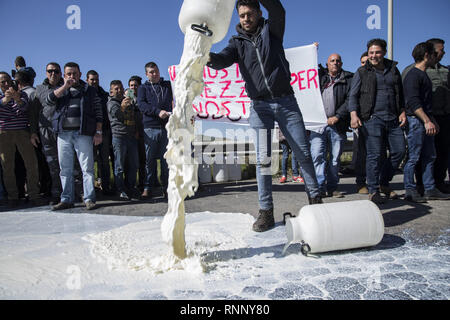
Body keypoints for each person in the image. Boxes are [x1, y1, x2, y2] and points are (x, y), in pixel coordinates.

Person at [207, 0, 321, 232]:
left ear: (259, 13)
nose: (246, 19)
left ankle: (316, 202)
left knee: (303, 152)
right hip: (259, 107)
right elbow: (221, 61)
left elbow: (278, 9)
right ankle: (266, 212)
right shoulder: (236, 43)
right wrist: (204, 54)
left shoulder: (273, 30)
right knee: (263, 160)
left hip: (286, 102)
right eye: (242, 16)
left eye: (250, 14)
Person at [349, 38, 407, 204]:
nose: (373, 56)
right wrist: (354, 115)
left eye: (377, 52)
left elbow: (400, 94)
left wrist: (402, 111)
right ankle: (374, 190)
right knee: (374, 155)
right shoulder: (361, 72)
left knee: (399, 151)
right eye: (371, 53)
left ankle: (383, 182)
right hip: (372, 119)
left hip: (393, 118)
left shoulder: (394, 70)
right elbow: (353, 95)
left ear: (384, 53)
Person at [47, 62, 103, 210]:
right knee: (65, 169)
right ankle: (66, 199)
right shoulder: (60, 90)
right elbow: (49, 100)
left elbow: (99, 113)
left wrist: (98, 132)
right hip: (63, 134)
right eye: (69, 74)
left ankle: (89, 198)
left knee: (87, 169)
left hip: (83, 133)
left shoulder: (89, 90)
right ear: (64, 75)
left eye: (75, 74)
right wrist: (65, 86)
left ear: (80, 74)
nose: (72, 76)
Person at [403, 42, 450, 202]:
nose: (436, 57)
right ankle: (410, 190)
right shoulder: (413, 75)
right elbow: (414, 103)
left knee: (430, 155)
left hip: (425, 120)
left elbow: (426, 103)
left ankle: (430, 189)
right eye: (433, 54)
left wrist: (432, 120)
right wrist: (426, 121)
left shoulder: (423, 75)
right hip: (417, 121)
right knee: (414, 157)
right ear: (426, 55)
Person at [0, 71, 46, 208]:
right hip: (4, 134)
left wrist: (17, 98)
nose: (7, 84)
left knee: (31, 164)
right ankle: (13, 196)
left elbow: (25, 108)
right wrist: (6, 99)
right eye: (3, 82)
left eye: (8, 80)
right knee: (7, 167)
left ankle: (34, 194)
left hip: (22, 132)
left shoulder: (23, 94)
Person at [312, 53, 353, 198]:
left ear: (341, 64)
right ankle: (319, 187)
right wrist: (314, 51)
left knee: (335, 159)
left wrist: (337, 116)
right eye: (332, 61)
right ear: (327, 63)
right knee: (317, 155)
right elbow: (307, 68)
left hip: (338, 125)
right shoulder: (320, 78)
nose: (335, 63)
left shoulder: (348, 79)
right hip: (319, 125)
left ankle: (332, 187)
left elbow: (350, 100)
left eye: (337, 61)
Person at [30, 62, 64, 205]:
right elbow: (33, 113)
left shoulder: (66, 87)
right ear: (46, 73)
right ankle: (56, 193)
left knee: (69, 164)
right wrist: (33, 132)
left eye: (56, 71)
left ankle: (74, 191)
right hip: (46, 132)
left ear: (60, 73)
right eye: (50, 71)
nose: (53, 74)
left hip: (64, 132)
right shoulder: (38, 90)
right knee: (53, 166)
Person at [15, 70, 52, 199]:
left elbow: (32, 115)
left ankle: (42, 189)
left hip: (32, 133)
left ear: (18, 82)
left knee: (35, 163)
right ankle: (44, 188)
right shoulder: (35, 91)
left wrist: (33, 132)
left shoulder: (28, 94)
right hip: (37, 132)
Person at [137, 62, 172, 200]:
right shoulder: (143, 88)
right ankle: (148, 187)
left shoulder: (168, 85)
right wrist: (157, 112)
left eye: (156, 71)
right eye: (151, 72)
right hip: (150, 128)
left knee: (166, 160)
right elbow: (142, 105)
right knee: (149, 160)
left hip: (167, 128)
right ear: (147, 74)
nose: (155, 74)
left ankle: (167, 188)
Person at [107, 80, 141, 200]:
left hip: (131, 137)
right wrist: (122, 107)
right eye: (116, 89)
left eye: (120, 88)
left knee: (134, 164)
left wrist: (136, 130)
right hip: (119, 137)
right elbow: (119, 117)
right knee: (119, 165)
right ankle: (120, 189)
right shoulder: (111, 103)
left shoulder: (128, 100)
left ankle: (131, 187)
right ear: (111, 91)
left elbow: (134, 116)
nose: (119, 90)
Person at [86, 70, 114, 195]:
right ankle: (91, 188)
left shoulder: (104, 95)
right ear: (87, 80)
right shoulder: (84, 94)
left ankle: (106, 186)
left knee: (104, 161)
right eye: (92, 79)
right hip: (88, 133)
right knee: (89, 162)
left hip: (104, 132)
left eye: (96, 79)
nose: (94, 81)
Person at [352, 52, 369, 194]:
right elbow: (352, 97)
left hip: (379, 119)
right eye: (363, 62)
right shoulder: (358, 75)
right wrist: (353, 115)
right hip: (362, 120)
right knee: (362, 153)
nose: (366, 65)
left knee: (379, 154)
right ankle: (361, 182)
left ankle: (380, 184)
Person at [127, 75, 147, 192]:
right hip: (131, 133)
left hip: (143, 132)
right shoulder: (128, 96)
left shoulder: (143, 96)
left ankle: (143, 183)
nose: (133, 87)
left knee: (143, 160)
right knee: (132, 161)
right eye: (131, 85)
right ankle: (131, 184)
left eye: (135, 85)